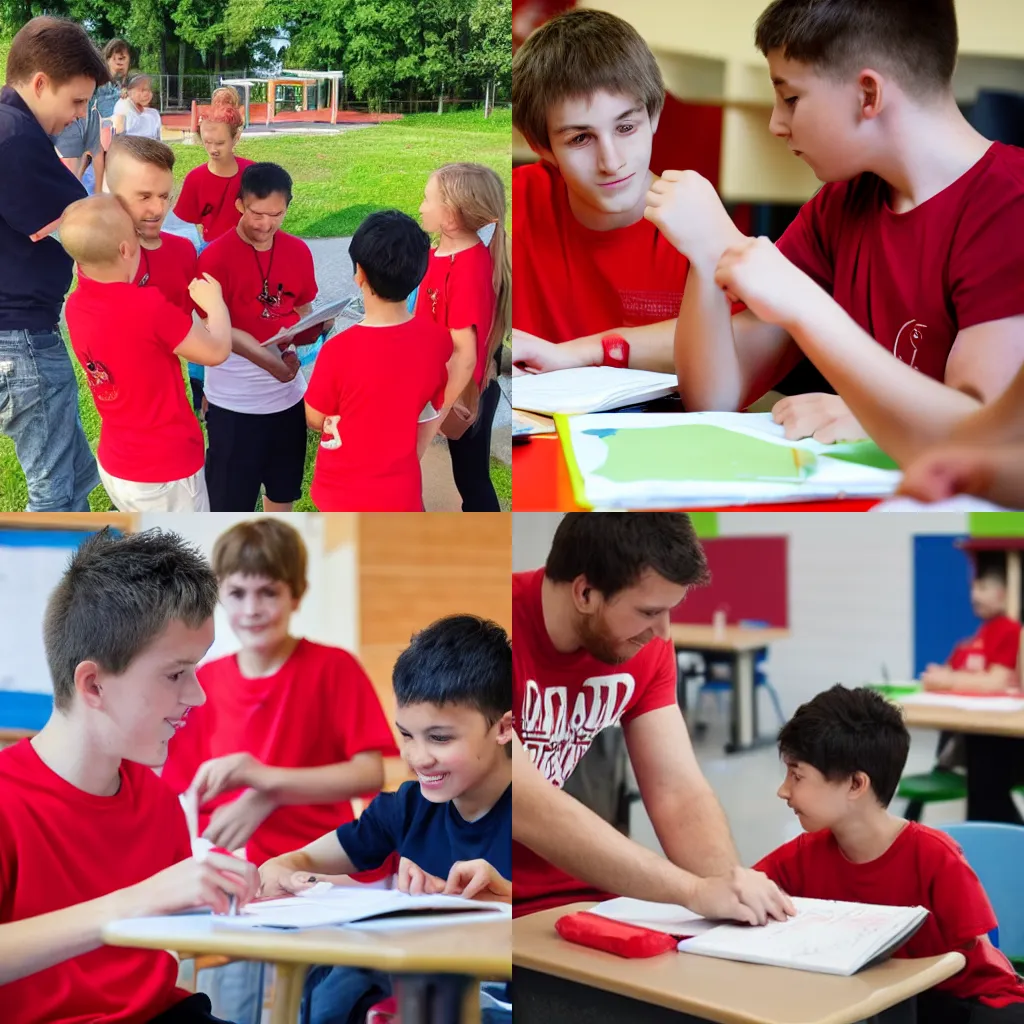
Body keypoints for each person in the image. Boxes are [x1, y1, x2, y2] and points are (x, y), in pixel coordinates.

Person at [644, 0, 1024, 462]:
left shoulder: (1008, 205)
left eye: (791, 98)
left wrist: (809, 312)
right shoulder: (841, 205)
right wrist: (705, 258)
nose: (776, 125)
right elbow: (717, 393)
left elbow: (987, 438)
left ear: (868, 95)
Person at [0, 528, 260, 1024]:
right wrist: (130, 903)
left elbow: (174, 929)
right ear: (93, 683)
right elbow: (139, 905)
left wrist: (259, 888)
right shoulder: (7, 800)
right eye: (175, 673)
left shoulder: (156, 801)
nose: (198, 696)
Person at [161, 518, 399, 1024]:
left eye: (268, 592)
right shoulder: (202, 684)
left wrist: (269, 786)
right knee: (234, 1011)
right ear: (220, 596)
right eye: (238, 592)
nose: (252, 608)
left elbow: (369, 774)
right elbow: (179, 795)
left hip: (321, 885)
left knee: (323, 1008)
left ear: (297, 594)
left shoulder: (332, 668)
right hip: (239, 895)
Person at [513, 512, 793, 923]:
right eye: (648, 612)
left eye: (669, 611)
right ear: (585, 592)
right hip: (485, 893)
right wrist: (694, 891)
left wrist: (732, 892)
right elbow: (527, 805)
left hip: (588, 893)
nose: (662, 633)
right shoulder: (490, 627)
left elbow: (677, 791)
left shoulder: (645, 647)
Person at [256, 614, 512, 1024]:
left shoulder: (537, 817)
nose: (418, 758)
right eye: (407, 735)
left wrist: (505, 899)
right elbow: (294, 862)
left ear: (503, 728)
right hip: (423, 996)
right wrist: (286, 871)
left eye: (440, 738)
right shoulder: (406, 807)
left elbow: (572, 924)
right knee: (334, 978)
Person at [756, 685, 1024, 1023]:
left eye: (797, 775)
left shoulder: (935, 856)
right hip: (879, 1002)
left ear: (856, 784)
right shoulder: (800, 857)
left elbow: (970, 957)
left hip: (966, 1002)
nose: (783, 790)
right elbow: (744, 892)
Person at [510, 8, 690, 375]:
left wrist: (584, 352)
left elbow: (735, 342)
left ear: (654, 115)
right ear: (543, 147)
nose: (611, 161)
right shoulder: (516, 200)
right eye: (580, 138)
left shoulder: (693, 218)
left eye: (625, 127)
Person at [60, 195, 231, 511]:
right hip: (166, 468)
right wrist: (215, 304)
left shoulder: (75, 305)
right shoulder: (146, 307)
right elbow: (216, 350)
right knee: (185, 555)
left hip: (117, 464)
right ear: (126, 250)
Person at [0, 16, 108, 512]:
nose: (78, 117)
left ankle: (85, 571)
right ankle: (58, 587)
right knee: (55, 496)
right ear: (40, 82)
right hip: (20, 339)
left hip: (23, 334)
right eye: (76, 102)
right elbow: (91, 223)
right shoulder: (16, 139)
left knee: (73, 474)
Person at [193, 161, 321, 512]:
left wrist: (310, 330)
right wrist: (267, 360)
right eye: (257, 213)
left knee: (282, 494)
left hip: (287, 401)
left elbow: (307, 307)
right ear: (239, 205)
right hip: (234, 405)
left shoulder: (298, 251)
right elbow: (211, 328)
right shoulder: (215, 258)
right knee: (229, 505)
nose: (266, 224)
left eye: (277, 214)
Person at [305, 210, 451, 511]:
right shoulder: (438, 340)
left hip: (343, 493)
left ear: (359, 273)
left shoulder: (339, 351)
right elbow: (429, 406)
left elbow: (315, 417)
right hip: (401, 490)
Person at [415, 163, 509, 511]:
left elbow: (465, 356)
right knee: (469, 477)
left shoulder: (467, 268)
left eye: (428, 200)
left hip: (464, 395)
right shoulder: (441, 254)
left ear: (452, 215)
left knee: (472, 482)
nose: (421, 207)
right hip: (447, 389)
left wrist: (435, 418)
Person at [105, 135, 197, 312]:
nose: (158, 210)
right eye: (144, 197)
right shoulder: (102, 259)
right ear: (114, 196)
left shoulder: (184, 251)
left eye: (164, 196)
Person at [113, 73, 162, 140]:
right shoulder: (122, 108)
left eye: (149, 89)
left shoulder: (153, 114)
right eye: (141, 89)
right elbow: (117, 138)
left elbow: (158, 141)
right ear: (127, 91)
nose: (146, 93)